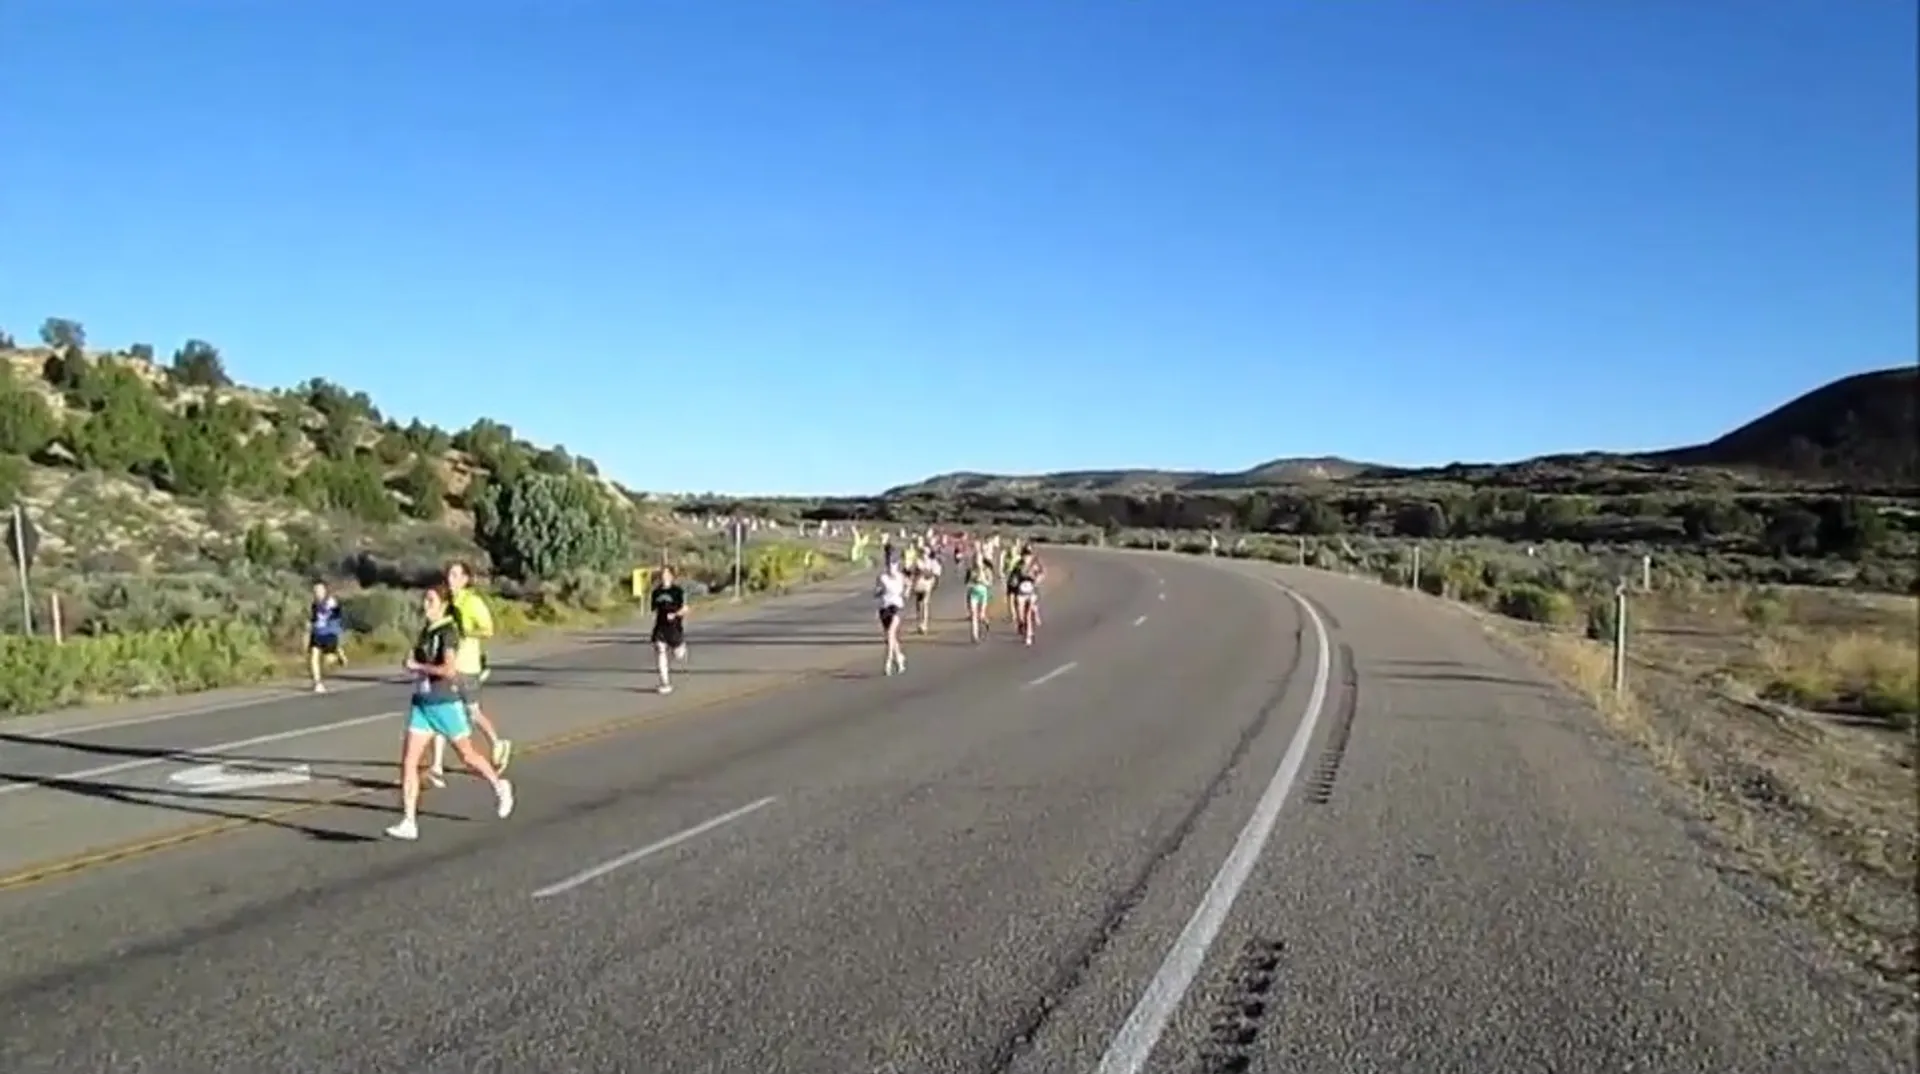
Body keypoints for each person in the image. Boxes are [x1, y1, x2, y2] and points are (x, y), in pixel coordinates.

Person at [386, 585, 513, 840]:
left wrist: (419, 665)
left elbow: (448, 670)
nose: (425, 604)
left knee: (467, 756)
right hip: (422, 703)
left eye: (431, 600)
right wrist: (413, 664)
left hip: (445, 702)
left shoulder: (448, 632)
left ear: (443, 605)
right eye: (425, 600)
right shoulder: (426, 630)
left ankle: (500, 786)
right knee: (409, 762)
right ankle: (409, 821)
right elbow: (420, 661)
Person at [427, 561, 511, 789]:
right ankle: (436, 766)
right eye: (449, 574)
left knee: (472, 713)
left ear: (465, 579)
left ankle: (497, 741)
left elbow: (488, 629)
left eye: (456, 575)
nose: (450, 579)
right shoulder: (448, 600)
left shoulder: (472, 602)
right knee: (442, 711)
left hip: (468, 664)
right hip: (450, 665)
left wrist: (465, 632)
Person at [649, 565, 689, 694]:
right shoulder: (656, 592)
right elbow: (654, 609)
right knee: (660, 650)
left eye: (666, 574)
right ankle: (665, 683)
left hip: (674, 627)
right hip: (660, 627)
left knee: (678, 655)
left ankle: (681, 647)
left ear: (671, 576)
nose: (663, 576)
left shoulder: (677, 591)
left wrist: (675, 614)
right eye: (662, 574)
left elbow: (685, 609)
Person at [306, 581, 347, 693]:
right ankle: (317, 683)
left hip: (329, 634)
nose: (317, 593)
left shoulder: (331, 602)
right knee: (313, 657)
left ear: (325, 591)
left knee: (328, 661)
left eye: (319, 590)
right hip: (317, 634)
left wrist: (331, 611)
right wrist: (310, 627)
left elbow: (338, 615)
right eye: (315, 591)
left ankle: (338, 653)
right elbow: (313, 618)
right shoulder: (314, 604)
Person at [875, 556, 909, 675]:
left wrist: (906, 593)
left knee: (890, 633)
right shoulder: (882, 578)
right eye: (889, 565)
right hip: (884, 607)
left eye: (893, 565)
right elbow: (876, 592)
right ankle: (899, 657)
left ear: (897, 566)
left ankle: (888, 662)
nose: (891, 568)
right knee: (890, 637)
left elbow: (908, 584)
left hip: (897, 607)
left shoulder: (900, 577)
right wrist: (880, 591)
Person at [909, 546, 942, 634]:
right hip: (918, 585)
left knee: (925, 603)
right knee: (919, 604)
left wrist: (935, 583)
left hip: (927, 585)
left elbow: (936, 574)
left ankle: (924, 624)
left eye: (925, 552)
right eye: (922, 552)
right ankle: (920, 623)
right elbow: (911, 572)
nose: (924, 554)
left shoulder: (932, 562)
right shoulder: (917, 562)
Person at [964, 556, 994, 642]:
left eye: (979, 560)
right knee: (974, 615)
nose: (977, 562)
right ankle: (975, 636)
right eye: (975, 560)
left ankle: (985, 620)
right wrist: (972, 582)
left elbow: (990, 584)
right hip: (973, 594)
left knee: (981, 616)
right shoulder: (970, 570)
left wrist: (983, 581)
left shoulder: (987, 570)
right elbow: (966, 583)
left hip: (983, 594)